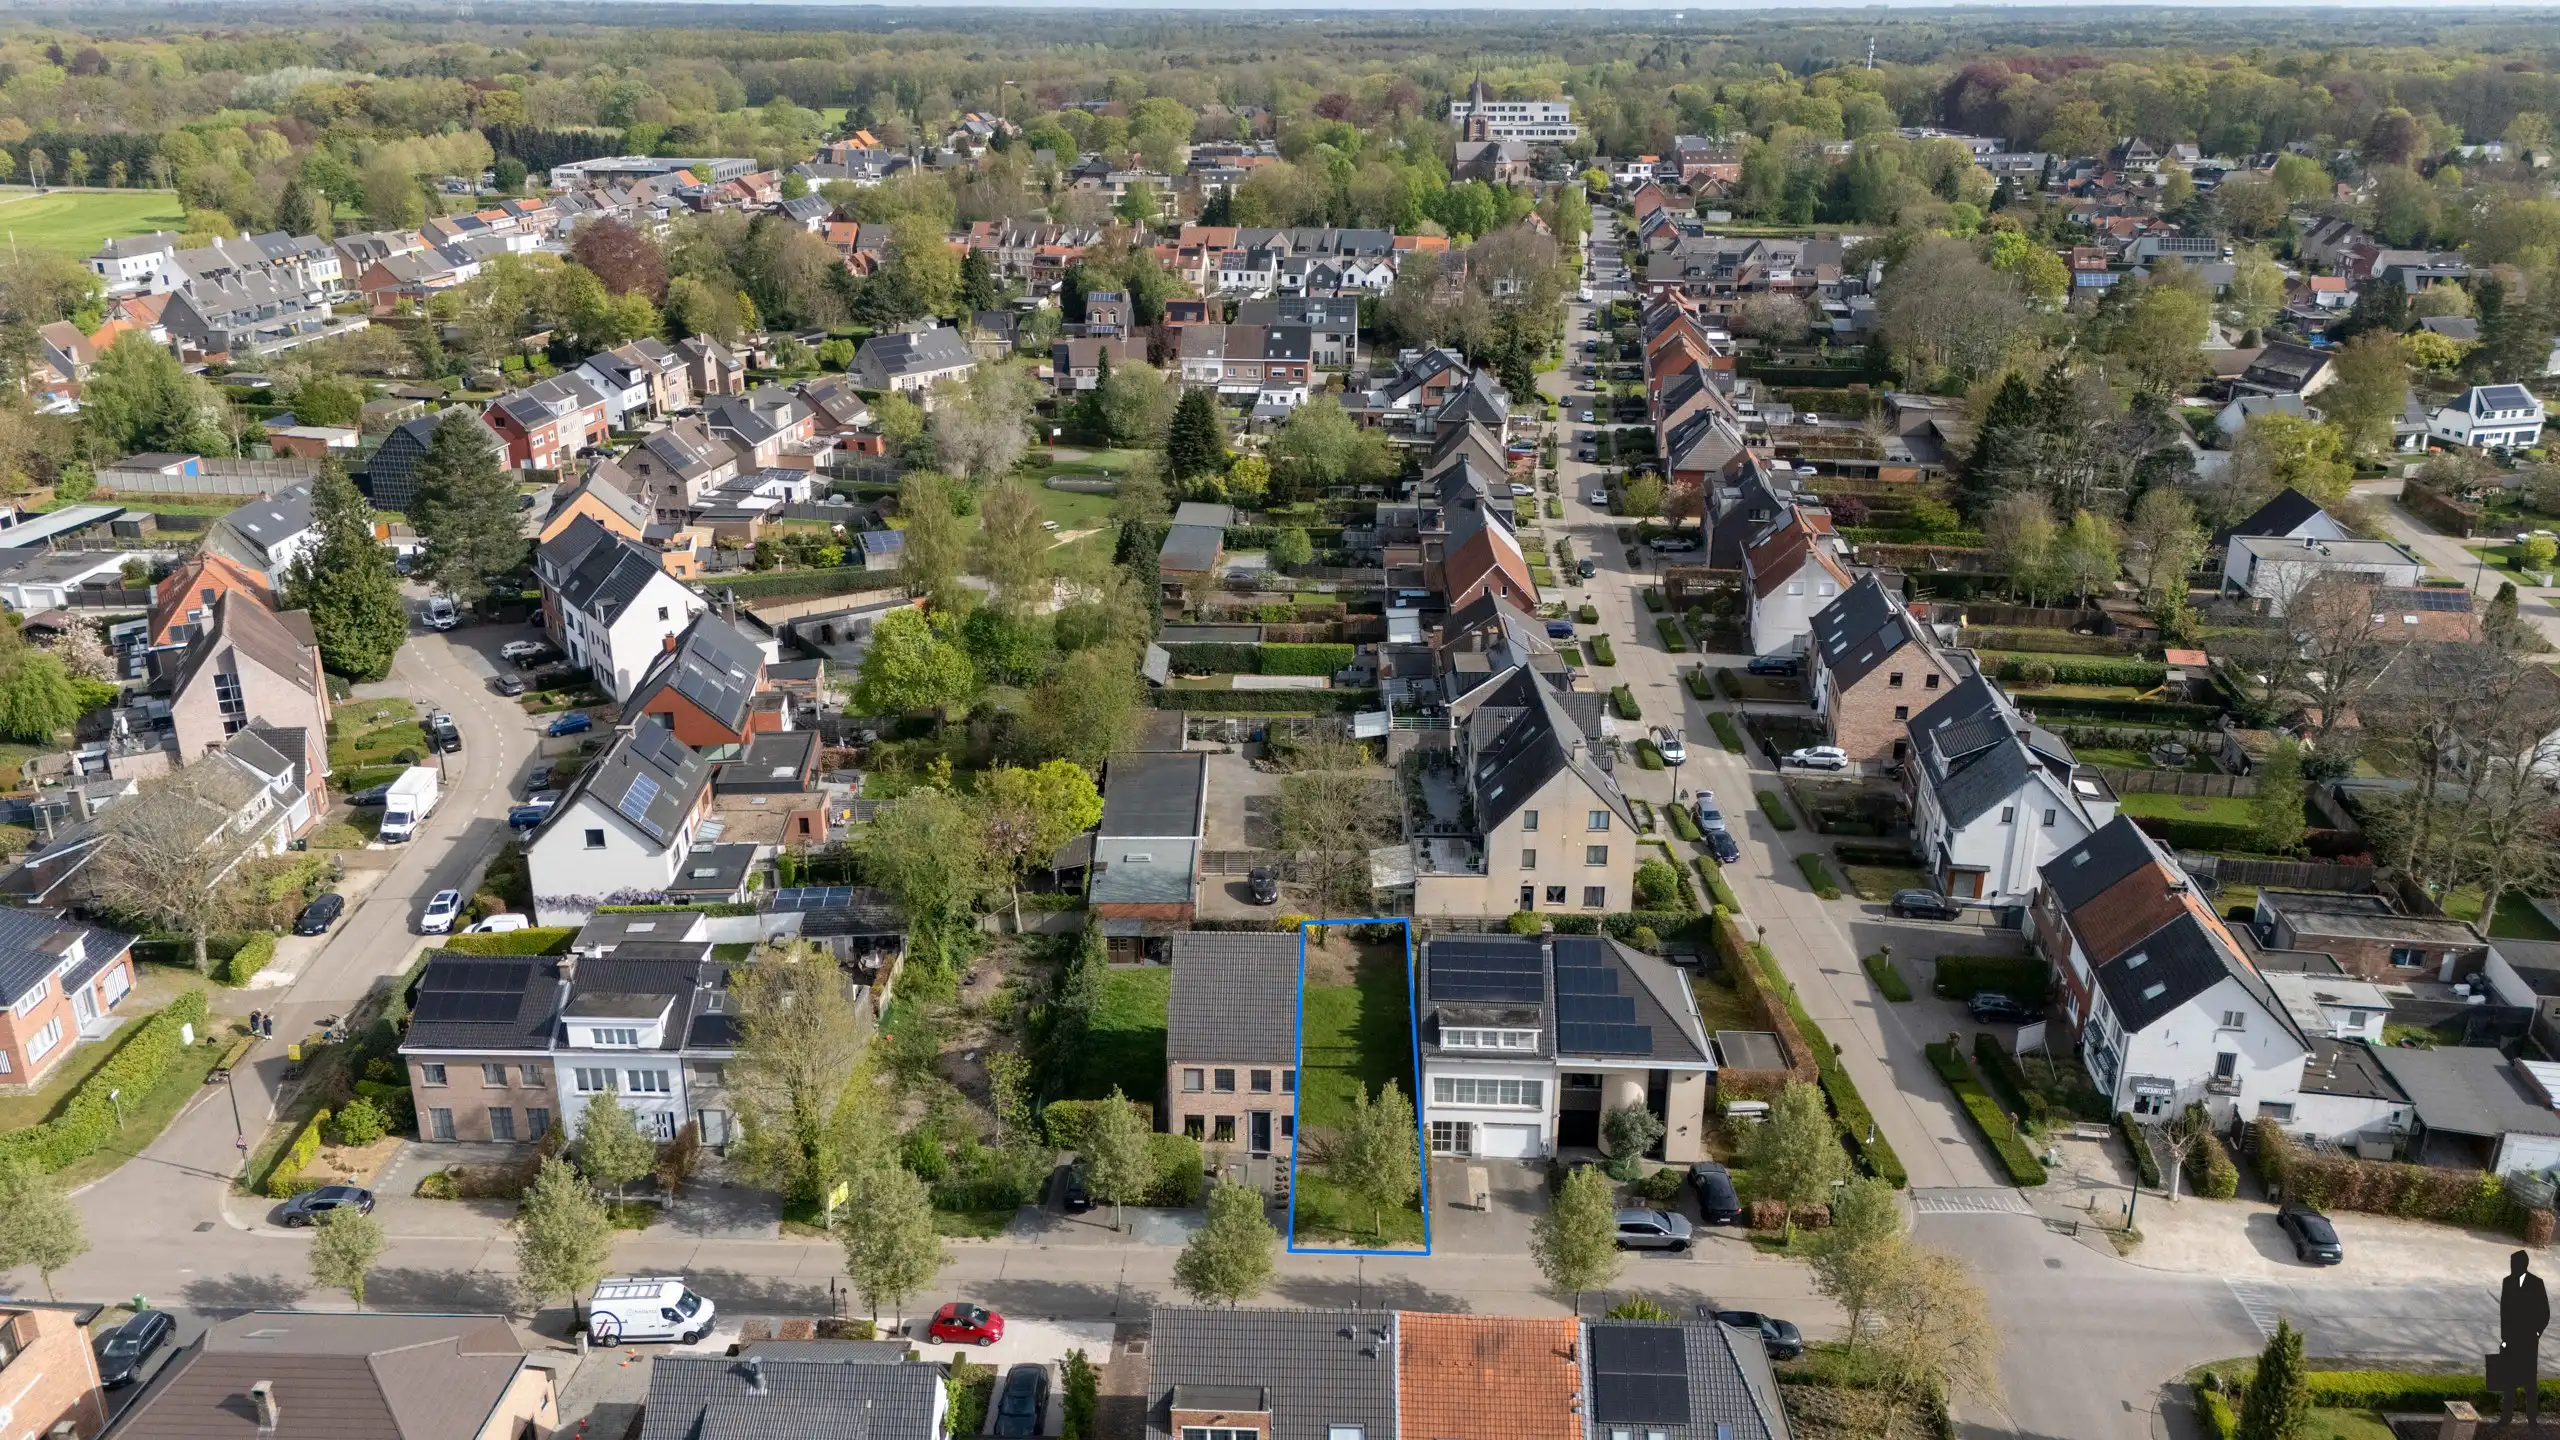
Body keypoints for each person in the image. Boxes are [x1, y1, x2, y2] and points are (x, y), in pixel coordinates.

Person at [2496, 1248, 2548, 1424]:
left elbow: (2544, 1312)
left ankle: (2532, 1419)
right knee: (2509, 1382)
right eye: (2511, 1264)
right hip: (2511, 1340)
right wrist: (2504, 1338)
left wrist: (2536, 1332)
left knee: (2529, 1383)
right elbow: (2504, 1312)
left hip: (2528, 1341)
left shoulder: (2536, 1283)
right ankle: (2506, 1417)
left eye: (2515, 1264)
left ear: (2523, 1265)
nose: (2512, 1267)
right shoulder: (2507, 1282)